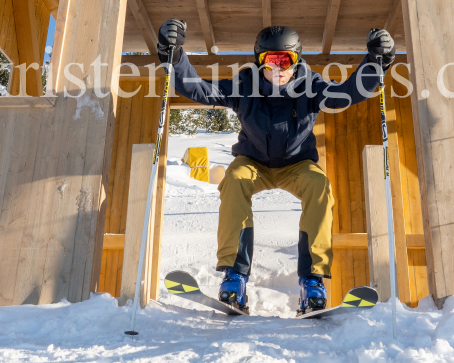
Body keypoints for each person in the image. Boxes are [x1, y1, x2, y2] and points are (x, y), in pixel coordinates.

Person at [156, 20, 396, 315]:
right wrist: (175, 55)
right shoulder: (245, 85)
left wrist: (375, 63)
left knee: (319, 185)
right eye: (270, 61)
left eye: (286, 60)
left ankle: (312, 281)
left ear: (297, 60)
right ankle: (235, 277)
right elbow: (200, 90)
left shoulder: (311, 85)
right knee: (234, 178)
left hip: (297, 165)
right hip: (253, 162)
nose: (278, 68)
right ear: (260, 62)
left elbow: (347, 93)